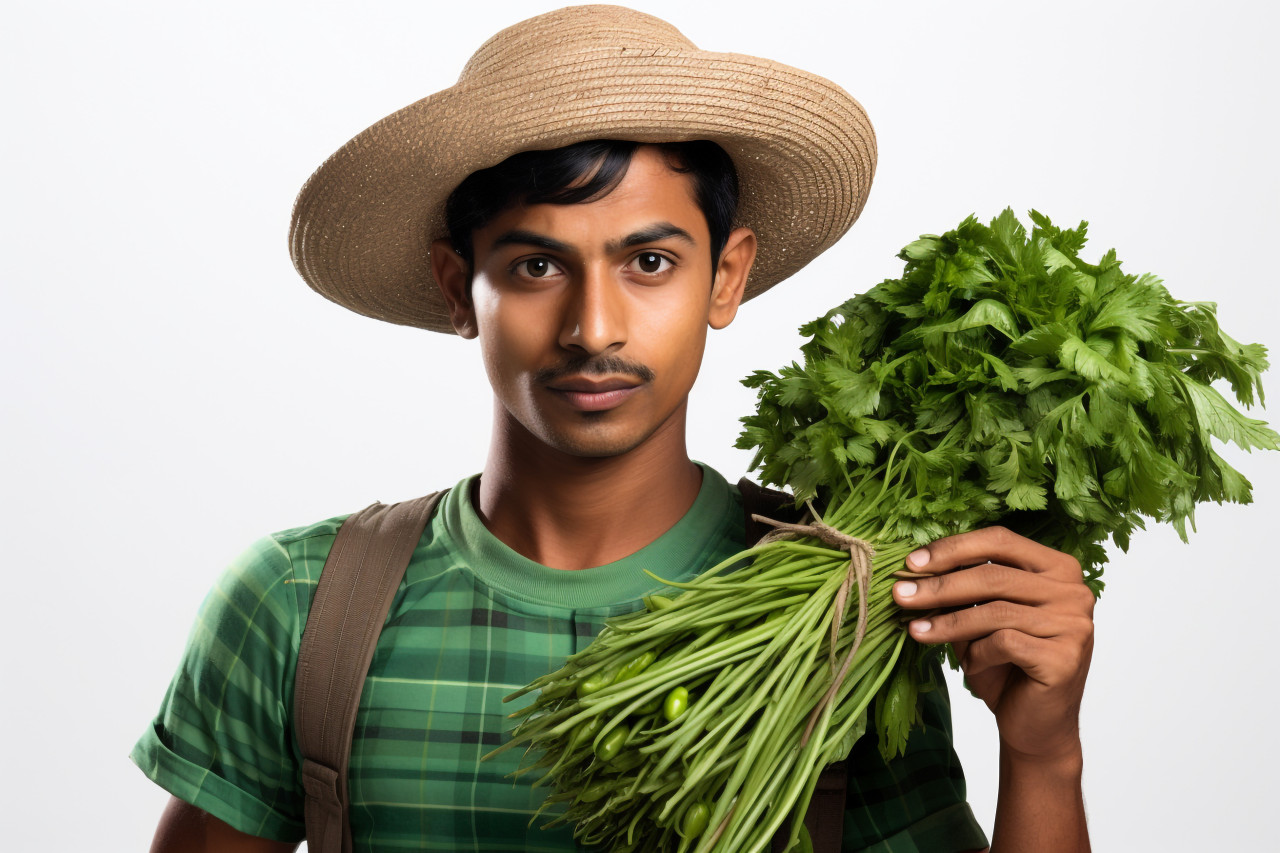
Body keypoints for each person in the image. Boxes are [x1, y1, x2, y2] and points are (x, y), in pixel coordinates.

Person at [132, 6, 1093, 852]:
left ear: (727, 276)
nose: (594, 329)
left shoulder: (846, 608)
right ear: (454, 288)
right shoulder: (302, 605)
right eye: (536, 268)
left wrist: (1044, 754)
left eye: (649, 262)